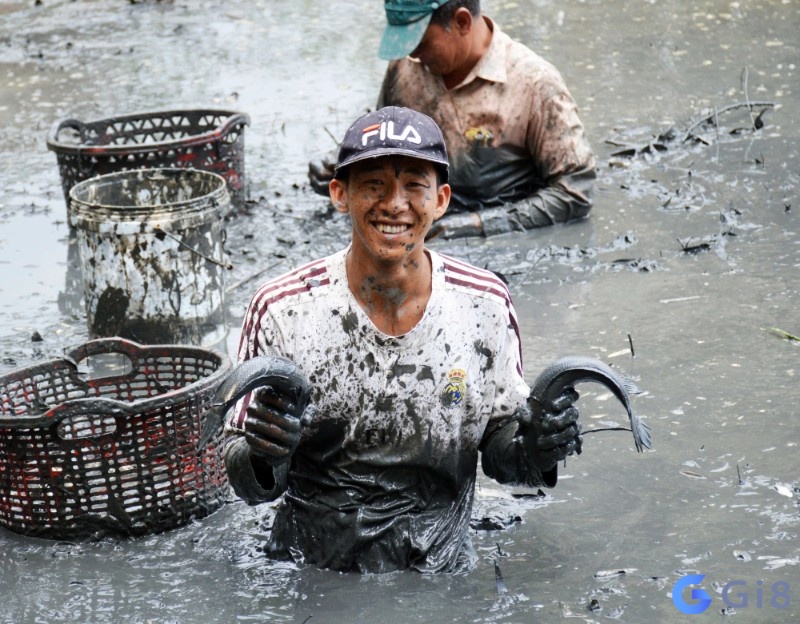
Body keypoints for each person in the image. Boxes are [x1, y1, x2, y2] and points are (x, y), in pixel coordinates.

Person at [225, 106, 582, 574]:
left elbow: (501, 447)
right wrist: (266, 452)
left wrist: (537, 446)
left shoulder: (484, 305)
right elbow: (244, 477)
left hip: (441, 562)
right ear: (339, 194)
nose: (395, 204)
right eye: (373, 184)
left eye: (415, 185)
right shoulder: (282, 308)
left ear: (442, 199)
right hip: (314, 566)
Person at [309, 0, 595, 240]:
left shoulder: (535, 84)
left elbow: (575, 192)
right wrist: (345, 168)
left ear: (461, 22)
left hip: (497, 231)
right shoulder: (405, 68)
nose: (412, 54)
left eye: (420, 42)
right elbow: (385, 145)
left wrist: (479, 226)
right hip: (422, 222)